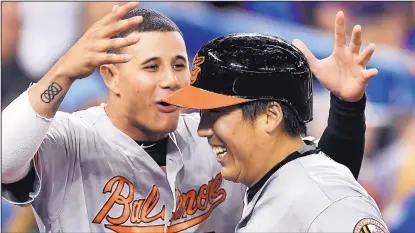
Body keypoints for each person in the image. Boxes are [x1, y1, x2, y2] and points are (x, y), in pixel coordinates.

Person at [2, 4, 370, 232]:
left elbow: (318, 184)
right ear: (111, 76)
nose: (170, 80)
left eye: (179, 65)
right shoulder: (70, 139)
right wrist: (61, 73)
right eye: (152, 66)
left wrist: (346, 108)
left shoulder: (215, 137)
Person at [164, 12, 388, 233]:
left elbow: (322, 198)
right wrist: (346, 109)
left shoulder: (330, 200)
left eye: (216, 112)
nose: (202, 129)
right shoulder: (276, 181)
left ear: (270, 116)